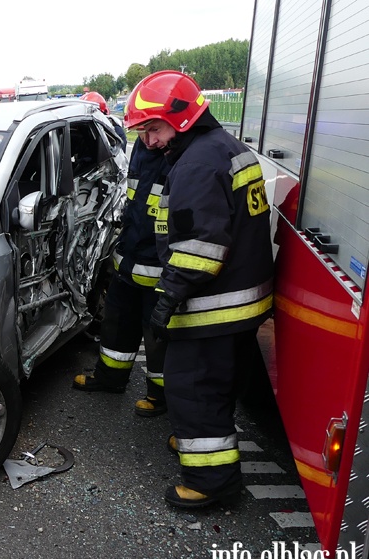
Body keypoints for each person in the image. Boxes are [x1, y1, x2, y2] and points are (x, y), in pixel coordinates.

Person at [124, 71, 274, 509]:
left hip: (213, 306)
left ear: (182, 118)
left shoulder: (195, 166)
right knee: (220, 385)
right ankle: (204, 446)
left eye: (153, 129)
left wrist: (167, 297)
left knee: (193, 389)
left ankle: (212, 483)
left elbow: (198, 252)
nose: (148, 141)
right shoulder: (225, 148)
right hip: (242, 300)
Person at [72, 137, 169, 417]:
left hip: (161, 267)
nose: (148, 139)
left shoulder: (184, 152)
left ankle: (160, 395)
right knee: (116, 323)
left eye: (153, 129)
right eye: (142, 130)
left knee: (158, 337)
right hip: (130, 256)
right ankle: (110, 379)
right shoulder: (142, 144)